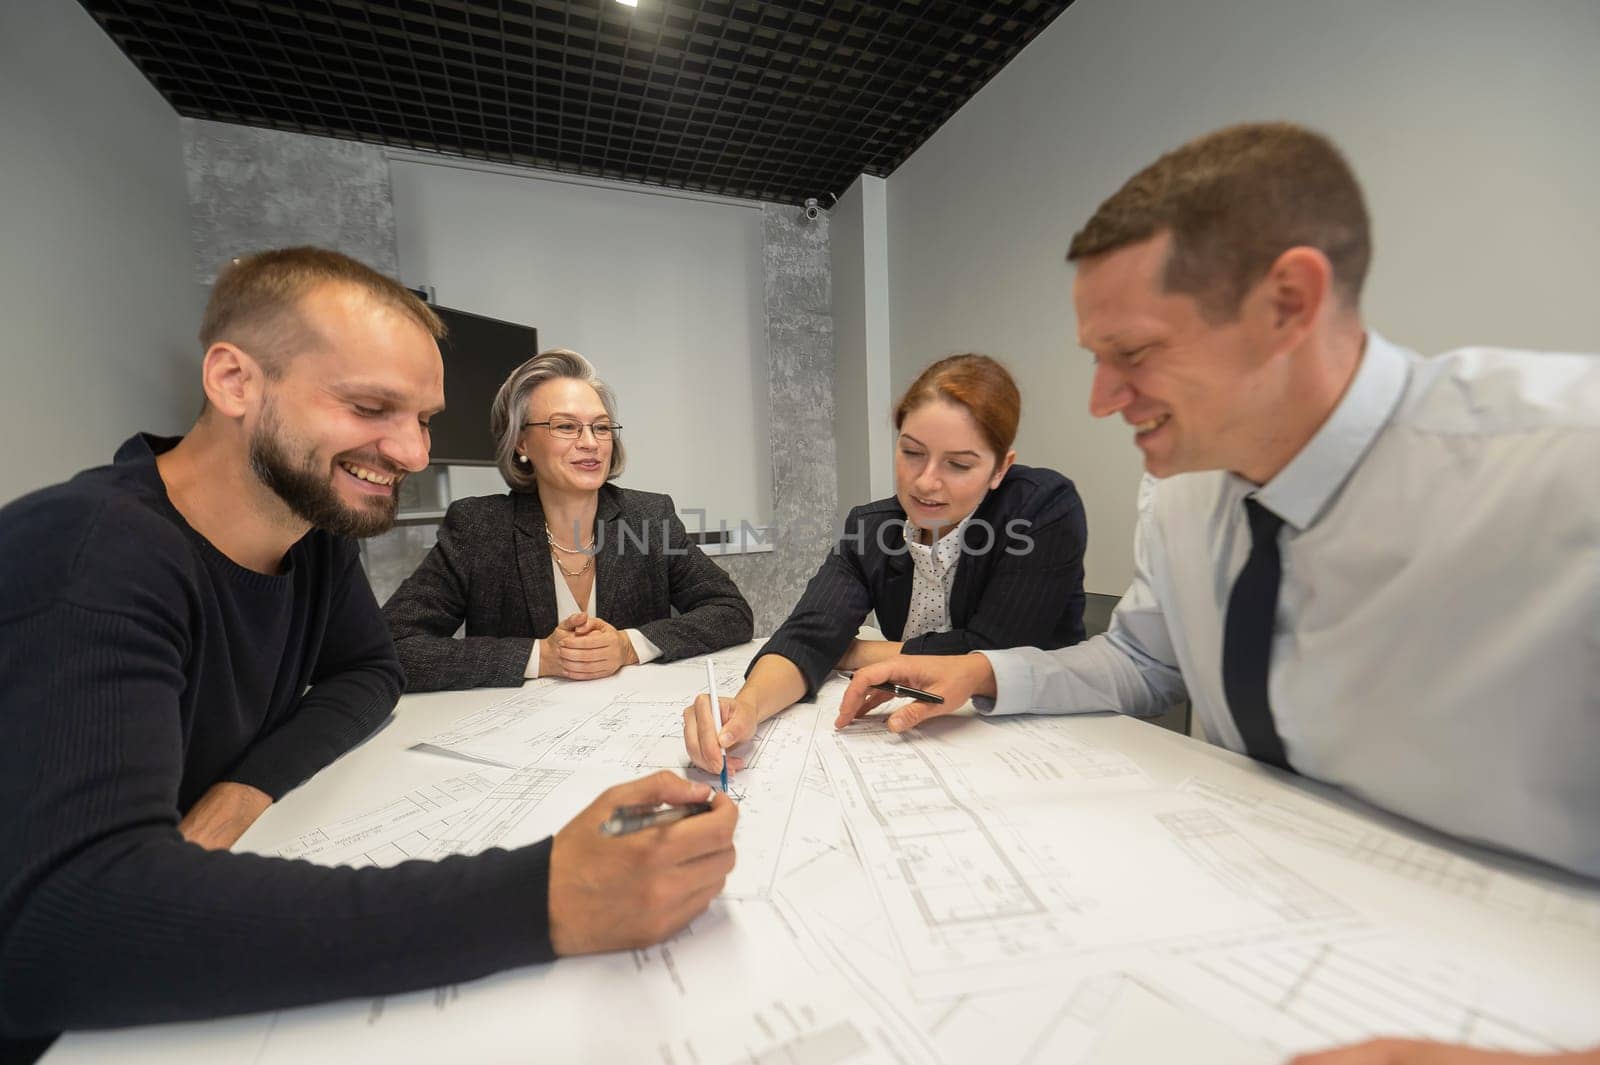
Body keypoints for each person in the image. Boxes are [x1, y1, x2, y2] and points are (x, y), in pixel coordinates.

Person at [836, 123, 1599, 1065]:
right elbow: (1146, 659)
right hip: (1245, 928)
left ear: (1289, 304)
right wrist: (987, 673)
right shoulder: (1185, 493)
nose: (1101, 398)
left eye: (1135, 353)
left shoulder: (1570, 467)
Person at [0, 248, 737, 1055]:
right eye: (369, 406)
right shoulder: (85, 549)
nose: (416, 455)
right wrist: (544, 895)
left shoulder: (315, 540)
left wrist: (246, 787)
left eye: (422, 418)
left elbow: (370, 669)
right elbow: (67, 926)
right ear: (233, 380)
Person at [684, 353, 1087, 774]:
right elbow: (807, 636)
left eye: (959, 464)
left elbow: (998, 653)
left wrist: (856, 652)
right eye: (912, 452)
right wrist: (747, 707)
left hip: (1037, 736)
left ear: (1000, 468)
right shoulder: (871, 526)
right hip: (920, 737)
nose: (926, 482)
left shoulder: (1041, 509)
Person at [382, 349, 754, 692]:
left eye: (602, 427)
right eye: (565, 426)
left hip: (633, 728)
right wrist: (542, 656)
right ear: (521, 443)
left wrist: (628, 645)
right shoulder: (479, 527)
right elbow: (394, 648)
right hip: (520, 740)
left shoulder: (650, 519)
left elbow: (731, 612)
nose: (590, 442)